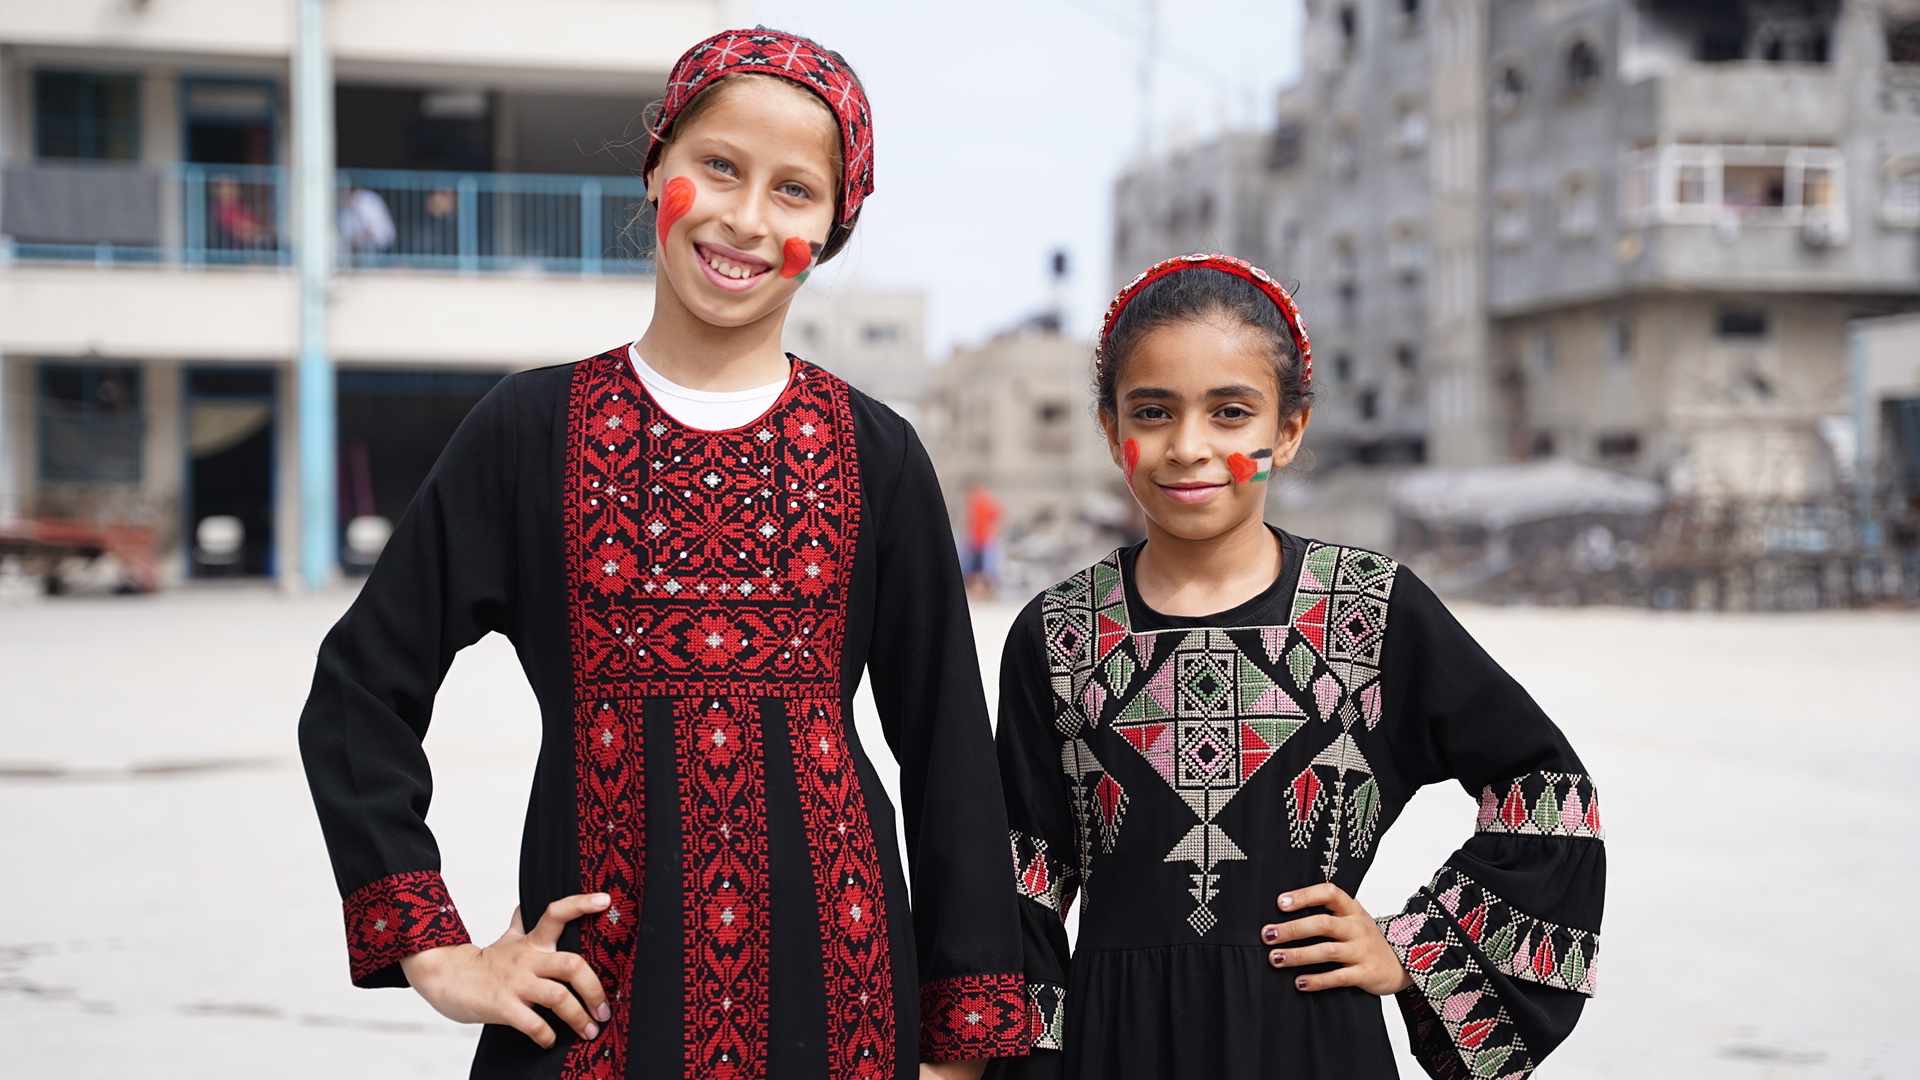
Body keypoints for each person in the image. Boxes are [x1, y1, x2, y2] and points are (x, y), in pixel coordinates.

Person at [299, 28, 1028, 1080]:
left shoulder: (878, 454)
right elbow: (359, 688)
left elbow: (950, 753)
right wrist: (433, 945)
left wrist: (962, 1042)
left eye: (794, 190)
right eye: (718, 166)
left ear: (833, 228)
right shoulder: (529, 432)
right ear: (656, 167)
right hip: (588, 1011)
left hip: (845, 1010)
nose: (746, 217)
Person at [989, 254, 1606, 1078]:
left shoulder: (1368, 610)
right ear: (1111, 430)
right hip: (1113, 1046)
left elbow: (1549, 792)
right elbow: (1016, 886)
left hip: (1314, 1040)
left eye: (1230, 413)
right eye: (1153, 412)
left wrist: (1413, 948)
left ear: (1288, 430)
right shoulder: (1058, 632)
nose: (1189, 446)